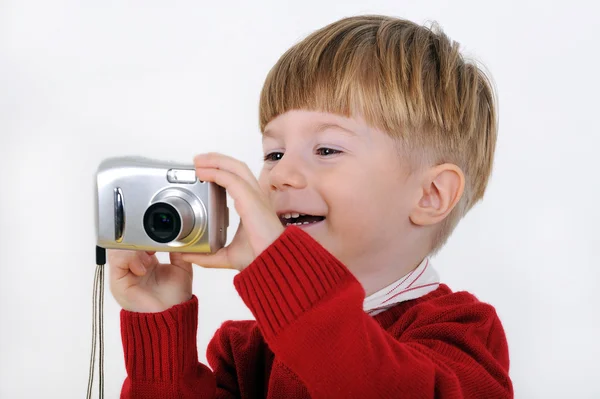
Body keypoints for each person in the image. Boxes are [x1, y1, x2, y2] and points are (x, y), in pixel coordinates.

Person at [108, 14, 513, 398]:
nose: (281, 175)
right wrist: (159, 330)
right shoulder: (247, 351)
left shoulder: (464, 335)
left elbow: (377, 382)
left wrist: (281, 275)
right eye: (274, 153)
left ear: (431, 195)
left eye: (326, 149)